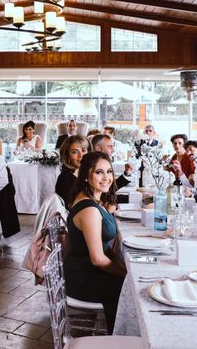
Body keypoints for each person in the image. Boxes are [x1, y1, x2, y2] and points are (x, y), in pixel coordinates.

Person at [64, 152, 126, 334]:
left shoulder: (92, 200)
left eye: (109, 171)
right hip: (84, 279)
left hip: (88, 272)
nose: (107, 177)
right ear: (85, 176)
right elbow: (98, 259)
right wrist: (126, 273)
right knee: (133, 291)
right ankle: (121, 338)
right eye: (99, 172)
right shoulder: (89, 210)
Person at [54, 135, 89, 208]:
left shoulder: (84, 173)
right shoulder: (65, 178)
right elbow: (71, 207)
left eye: (83, 150)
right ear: (67, 156)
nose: (81, 156)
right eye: (74, 152)